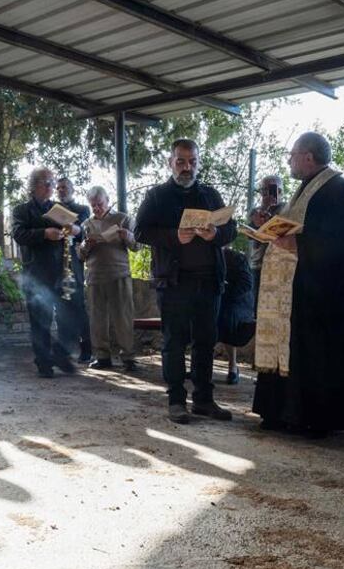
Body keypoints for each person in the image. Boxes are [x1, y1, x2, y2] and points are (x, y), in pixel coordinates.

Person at [252, 132, 344, 437]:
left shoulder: (338, 190)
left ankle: (314, 417)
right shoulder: (307, 189)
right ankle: (281, 411)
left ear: (307, 156)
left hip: (320, 295)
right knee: (294, 350)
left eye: (292, 155)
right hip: (298, 290)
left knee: (315, 355)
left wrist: (298, 244)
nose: (289, 161)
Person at [135, 138, 236, 424]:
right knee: (174, 342)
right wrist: (172, 237)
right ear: (170, 162)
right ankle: (176, 401)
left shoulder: (211, 195)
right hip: (175, 282)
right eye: (180, 161)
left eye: (192, 161)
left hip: (209, 282)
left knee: (206, 342)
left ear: (198, 163)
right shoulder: (157, 196)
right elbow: (140, 231)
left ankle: (204, 399)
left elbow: (231, 230)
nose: (186, 167)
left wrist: (215, 235)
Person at [11, 167, 77, 378]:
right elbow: (19, 234)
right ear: (34, 186)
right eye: (46, 183)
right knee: (41, 321)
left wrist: (74, 230)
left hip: (61, 271)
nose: (51, 187)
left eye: (52, 182)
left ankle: (61, 354)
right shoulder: (21, 210)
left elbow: (77, 230)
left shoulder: (58, 208)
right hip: (36, 274)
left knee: (72, 316)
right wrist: (44, 234)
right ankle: (44, 362)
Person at [77, 186, 139, 372]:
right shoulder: (86, 224)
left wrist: (127, 235)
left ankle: (128, 357)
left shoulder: (123, 218)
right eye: (93, 205)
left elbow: (137, 246)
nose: (96, 208)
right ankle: (102, 356)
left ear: (108, 200)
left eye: (100, 204)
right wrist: (85, 246)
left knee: (123, 318)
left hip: (119, 274)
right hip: (95, 276)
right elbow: (80, 256)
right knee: (97, 319)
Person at [56, 176, 93, 363]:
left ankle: (87, 348)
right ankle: (64, 349)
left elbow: (86, 232)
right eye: (58, 188)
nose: (61, 190)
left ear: (72, 189)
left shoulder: (82, 209)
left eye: (64, 187)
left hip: (75, 262)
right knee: (60, 307)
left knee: (78, 305)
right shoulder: (52, 209)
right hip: (57, 263)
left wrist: (75, 229)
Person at [217, 247, 254, 385]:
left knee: (228, 319)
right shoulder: (203, 257)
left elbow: (246, 284)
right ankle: (201, 365)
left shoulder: (236, 258)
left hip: (237, 303)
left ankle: (233, 366)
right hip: (217, 300)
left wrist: (223, 294)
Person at [247, 175, 284, 308]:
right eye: (264, 190)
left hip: (280, 266)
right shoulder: (255, 211)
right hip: (258, 265)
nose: (268, 193)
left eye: (273, 189)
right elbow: (249, 235)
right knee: (257, 306)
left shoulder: (288, 209)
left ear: (280, 191)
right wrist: (264, 209)